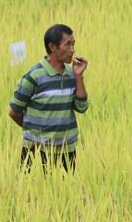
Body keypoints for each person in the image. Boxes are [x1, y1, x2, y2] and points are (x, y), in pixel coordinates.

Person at [9, 24, 89, 173]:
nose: (72, 50)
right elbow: (14, 111)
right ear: (52, 47)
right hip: (36, 151)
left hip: (67, 150)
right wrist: (35, 132)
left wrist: (79, 76)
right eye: (68, 44)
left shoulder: (72, 74)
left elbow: (82, 107)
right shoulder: (34, 76)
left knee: (66, 192)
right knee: (31, 192)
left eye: (73, 44)